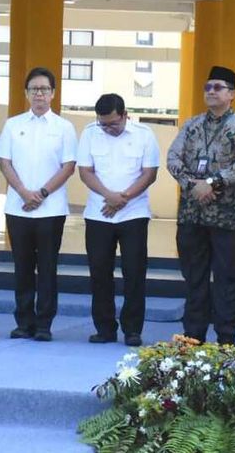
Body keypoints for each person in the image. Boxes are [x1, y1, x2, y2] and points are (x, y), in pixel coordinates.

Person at [166, 65, 235, 345]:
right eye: (207, 87)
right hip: (191, 215)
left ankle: (226, 341)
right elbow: (173, 159)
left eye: (217, 87)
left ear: (231, 93)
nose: (210, 92)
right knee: (194, 279)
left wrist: (213, 182)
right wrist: (193, 185)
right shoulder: (192, 125)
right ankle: (192, 338)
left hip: (225, 217)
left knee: (226, 280)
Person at [0, 67, 77, 342]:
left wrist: (40, 194)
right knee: (22, 267)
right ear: (26, 93)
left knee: (48, 267)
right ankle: (23, 321)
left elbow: (68, 167)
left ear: (53, 93)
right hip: (17, 208)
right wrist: (23, 192)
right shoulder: (13, 125)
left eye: (44, 89)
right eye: (33, 89)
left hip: (50, 210)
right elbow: (4, 162)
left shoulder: (64, 127)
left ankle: (44, 323)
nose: (39, 94)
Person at [78, 93, 160, 346]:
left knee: (134, 273)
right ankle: (104, 328)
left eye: (113, 123)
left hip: (133, 214)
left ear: (125, 115)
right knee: (99, 272)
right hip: (98, 214)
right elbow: (85, 171)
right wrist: (109, 197)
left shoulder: (144, 134)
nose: (108, 128)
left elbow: (149, 173)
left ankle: (132, 329)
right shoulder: (90, 133)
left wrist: (123, 198)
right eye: (103, 123)